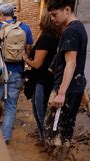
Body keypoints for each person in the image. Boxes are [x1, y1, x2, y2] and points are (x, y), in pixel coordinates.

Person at [45, 0, 88, 159]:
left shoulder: (71, 31)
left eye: (55, 14)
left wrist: (61, 92)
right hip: (75, 85)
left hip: (67, 89)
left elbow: (71, 63)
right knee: (66, 125)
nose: (53, 19)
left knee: (54, 127)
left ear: (68, 10)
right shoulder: (79, 28)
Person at [0, 3, 33, 143]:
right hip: (16, 72)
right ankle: (5, 138)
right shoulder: (25, 27)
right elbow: (28, 49)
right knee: (11, 106)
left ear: (1, 15)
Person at [23, 12, 61, 143]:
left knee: (40, 111)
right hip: (50, 79)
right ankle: (45, 138)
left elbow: (37, 64)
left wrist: (26, 59)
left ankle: (45, 139)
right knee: (44, 110)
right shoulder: (57, 37)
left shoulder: (46, 38)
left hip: (41, 80)